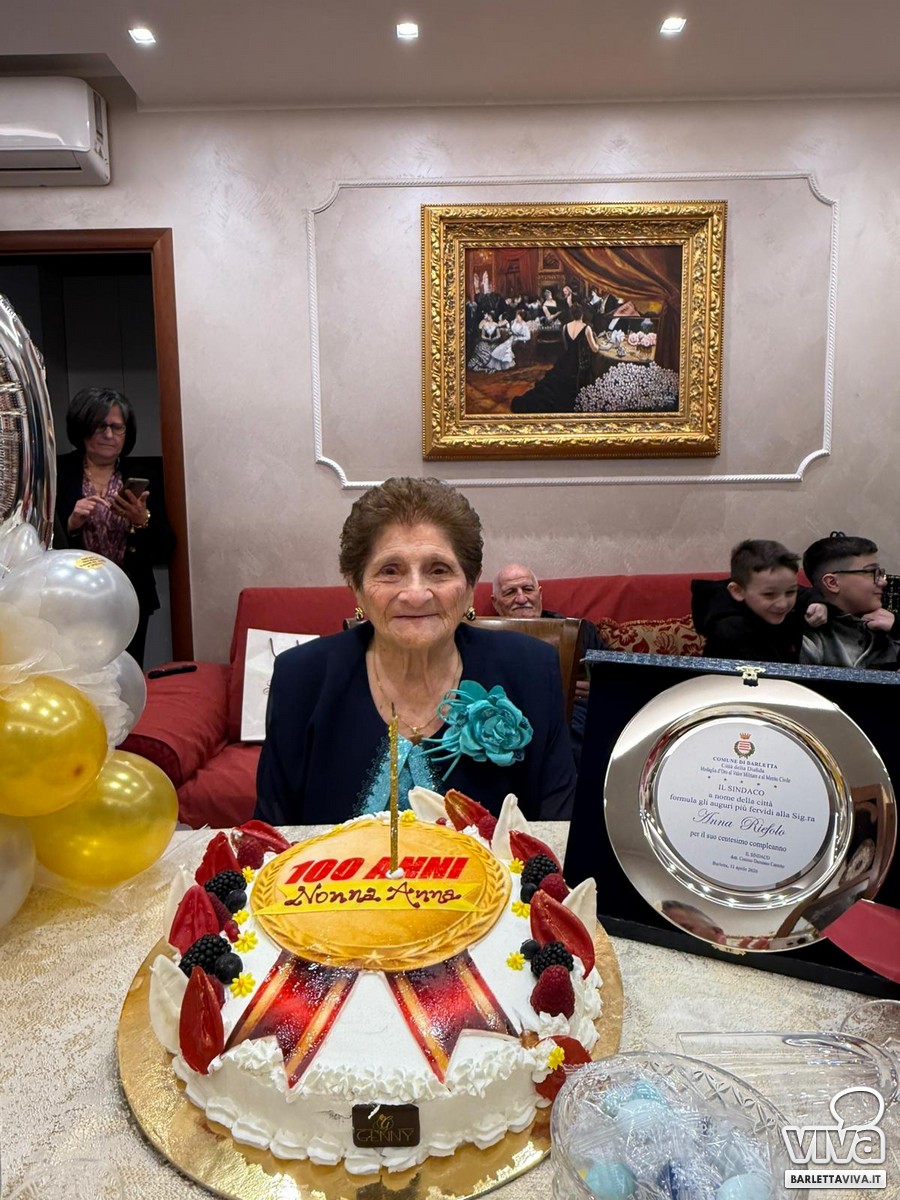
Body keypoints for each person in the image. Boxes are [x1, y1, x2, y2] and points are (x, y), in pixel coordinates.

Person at [255, 478, 576, 825]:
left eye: (438, 570)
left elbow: (559, 831)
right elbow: (275, 838)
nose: (416, 594)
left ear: (470, 586)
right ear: (356, 586)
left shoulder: (531, 670)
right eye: (390, 571)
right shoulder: (301, 678)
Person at [55, 387, 174, 667]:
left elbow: (167, 546)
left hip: (130, 596)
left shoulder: (144, 476)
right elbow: (38, 538)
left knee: (126, 672)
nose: (109, 435)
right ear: (82, 428)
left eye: (117, 427)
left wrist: (141, 519)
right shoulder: (59, 473)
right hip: (73, 596)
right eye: (100, 426)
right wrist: (71, 524)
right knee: (79, 672)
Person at [491, 562, 604, 767]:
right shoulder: (485, 637)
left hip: (572, 719)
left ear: (540, 594)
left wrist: (598, 689)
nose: (521, 598)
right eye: (510, 592)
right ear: (496, 603)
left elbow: (615, 679)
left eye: (528, 589)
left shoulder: (581, 631)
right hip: (509, 717)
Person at [691, 539, 826, 663]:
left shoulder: (766, 589)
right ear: (737, 591)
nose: (782, 604)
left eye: (790, 592)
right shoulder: (732, 630)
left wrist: (817, 602)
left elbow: (803, 592)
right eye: (769, 595)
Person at [801, 531, 899, 669]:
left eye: (880, 573)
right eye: (872, 573)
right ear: (832, 583)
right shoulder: (810, 636)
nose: (883, 582)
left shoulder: (890, 628)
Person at [510, 302, 600, 414]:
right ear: (582, 314)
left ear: (572, 314)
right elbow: (595, 349)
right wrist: (597, 343)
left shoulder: (565, 327)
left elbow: (566, 346)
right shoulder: (586, 328)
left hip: (565, 360)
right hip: (577, 362)